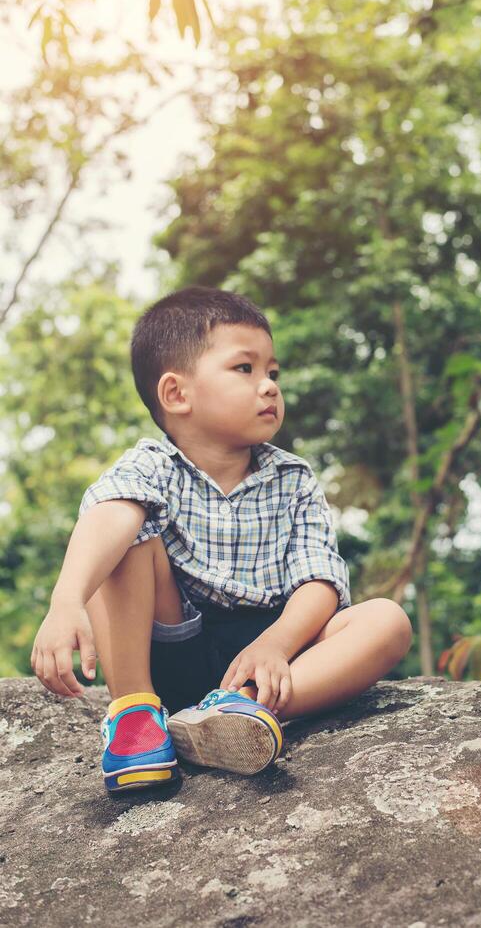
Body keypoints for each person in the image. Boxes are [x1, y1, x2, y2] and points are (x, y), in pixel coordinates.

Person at [30, 286, 413, 793]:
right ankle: (136, 715)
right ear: (177, 394)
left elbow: (318, 577)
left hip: (264, 659)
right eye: (245, 369)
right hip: (172, 641)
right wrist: (66, 602)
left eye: (272, 372)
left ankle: (241, 715)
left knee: (386, 619)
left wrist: (275, 644)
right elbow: (106, 517)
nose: (270, 386)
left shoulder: (292, 479)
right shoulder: (152, 466)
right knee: (126, 529)